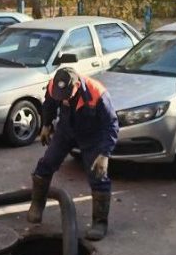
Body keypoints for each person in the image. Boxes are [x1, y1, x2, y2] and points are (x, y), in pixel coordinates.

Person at [26, 67, 119, 241]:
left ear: (77, 85)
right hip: (66, 131)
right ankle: (37, 205)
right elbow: (49, 103)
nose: (65, 99)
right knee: (46, 164)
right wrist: (46, 125)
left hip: (92, 136)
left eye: (67, 95)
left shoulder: (97, 93)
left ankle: (100, 222)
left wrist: (105, 154)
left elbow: (111, 125)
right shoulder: (54, 86)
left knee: (98, 175)